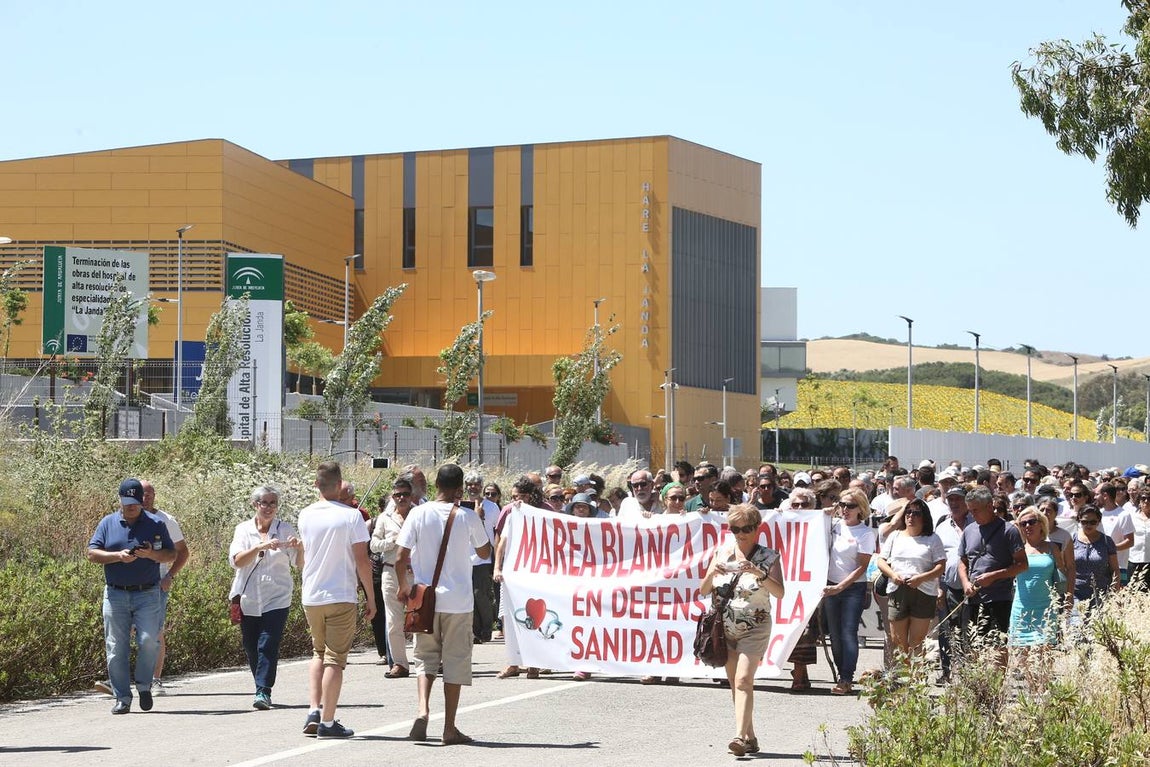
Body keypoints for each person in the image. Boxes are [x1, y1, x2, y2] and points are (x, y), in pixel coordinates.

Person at [396, 464, 492, 746]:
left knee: (425, 658)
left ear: (435, 484)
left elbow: (401, 556)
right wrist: (478, 520)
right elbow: (484, 551)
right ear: (460, 488)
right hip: (458, 602)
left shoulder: (417, 513)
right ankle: (449, 727)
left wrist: (404, 586)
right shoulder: (467, 516)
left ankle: (423, 710)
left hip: (425, 599)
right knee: (455, 662)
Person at [298, 461, 376, 739]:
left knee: (318, 652)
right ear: (341, 484)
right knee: (335, 659)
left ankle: (313, 709)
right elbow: (362, 562)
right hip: (340, 594)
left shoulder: (305, 515)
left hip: (312, 595)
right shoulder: (352, 517)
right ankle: (328, 722)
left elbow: (305, 554)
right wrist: (371, 597)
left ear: (316, 484)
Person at [699, 504, 784, 758]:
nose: (740, 534)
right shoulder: (722, 552)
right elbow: (703, 590)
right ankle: (750, 736)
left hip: (755, 625)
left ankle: (738, 736)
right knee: (736, 683)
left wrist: (759, 573)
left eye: (746, 528)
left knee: (744, 680)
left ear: (757, 528)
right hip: (725, 626)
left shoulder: (769, 556)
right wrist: (713, 571)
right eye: (734, 528)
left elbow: (779, 592)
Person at [87, 478, 176, 714]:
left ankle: (144, 684)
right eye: (126, 502)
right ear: (120, 500)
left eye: (134, 503)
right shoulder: (107, 523)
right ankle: (123, 697)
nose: (130, 507)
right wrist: (117, 556)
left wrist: (151, 554)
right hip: (115, 593)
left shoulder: (156, 523)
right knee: (116, 647)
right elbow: (92, 553)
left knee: (149, 641)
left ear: (141, 501)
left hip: (147, 593)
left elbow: (171, 554)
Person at [229, 485, 301, 710]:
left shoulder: (285, 528)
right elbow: (237, 561)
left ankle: (263, 690)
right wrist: (260, 546)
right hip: (248, 596)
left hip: (277, 597)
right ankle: (260, 684)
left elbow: (299, 563)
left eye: (273, 503)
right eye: (264, 503)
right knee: (251, 646)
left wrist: (300, 548)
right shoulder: (243, 530)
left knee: (267, 643)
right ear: (255, 505)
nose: (269, 508)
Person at [958, 486, 1028, 669]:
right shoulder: (969, 530)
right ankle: (978, 688)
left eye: (976, 510)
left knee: (998, 646)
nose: (972, 514)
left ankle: (996, 690)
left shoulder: (1008, 530)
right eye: (970, 510)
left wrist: (995, 576)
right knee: (972, 646)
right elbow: (962, 562)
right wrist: (965, 583)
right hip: (973, 599)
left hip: (999, 598)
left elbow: (1022, 564)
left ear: (990, 506)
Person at [874, 498, 945, 659]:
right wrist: (893, 574)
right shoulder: (895, 536)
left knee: (917, 641)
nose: (911, 516)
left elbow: (940, 566)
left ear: (924, 517)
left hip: (924, 592)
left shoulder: (932, 538)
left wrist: (921, 578)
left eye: (916, 513)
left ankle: (916, 680)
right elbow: (881, 561)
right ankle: (902, 680)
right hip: (897, 589)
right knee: (898, 641)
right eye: (908, 512)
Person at [823, 488, 876, 695]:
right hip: (831, 584)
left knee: (848, 633)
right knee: (834, 635)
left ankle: (846, 677)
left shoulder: (865, 533)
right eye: (842, 504)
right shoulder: (833, 525)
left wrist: (840, 587)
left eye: (850, 506)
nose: (845, 509)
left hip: (852, 588)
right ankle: (840, 674)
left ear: (860, 509)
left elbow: (862, 567)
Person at [141, 480, 189, 695]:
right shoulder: (123, 518)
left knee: (155, 631)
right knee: (127, 630)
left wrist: (170, 575)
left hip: (156, 583)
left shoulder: (166, 520)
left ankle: (155, 679)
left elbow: (183, 552)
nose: (146, 497)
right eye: (142, 493)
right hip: (127, 585)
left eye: (150, 493)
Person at [1008, 506, 1068, 668]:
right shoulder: (1016, 549)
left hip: (1046, 609)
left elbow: (1062, 575)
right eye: (1023, 524)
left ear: (1041, 524)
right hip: (1021, 608)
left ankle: (1043, 692)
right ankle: (1032, 692)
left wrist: (1065, 600)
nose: (1027, 526)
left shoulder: (1052, 548)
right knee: (1023, 661)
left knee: (1045, 660)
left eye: (1032, 522)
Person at [369, 475, 416, 678]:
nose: (402, 498)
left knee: (419, 618)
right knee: (393, 620)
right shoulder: (384, 518)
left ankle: (426, 660)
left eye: (406, 494)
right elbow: (373, 545)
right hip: (390, 570)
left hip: (415, 571)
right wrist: (391, 541)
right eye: (398, 495)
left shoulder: (419, 515)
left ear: (411, 495)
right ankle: (399, 663)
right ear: (392, 497)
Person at [465, 471, 499, 644]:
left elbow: (497, 532)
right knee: (469, 595)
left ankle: (486, 628)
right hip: (464, 557)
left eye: (476, 484)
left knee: (481, 594)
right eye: (470, 484)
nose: (473, 487)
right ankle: (474, 630)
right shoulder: (461, 506)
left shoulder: (492, 507)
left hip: (483, 557)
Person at [1072, 505, 1122, 618]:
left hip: (1101, 593)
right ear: (1079, 520)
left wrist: (1115, 594)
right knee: (1076, 628)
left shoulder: (1107, 541)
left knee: (1096, 629)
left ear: (1098, 521)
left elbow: (1115, 570)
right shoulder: (1072, 539)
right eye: (1084, 522)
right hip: (1076, 592)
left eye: (1092, 522)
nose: (1088, 525)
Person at [1128, 488, 1150, 591]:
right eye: (1143, 498)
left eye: (1149, 498)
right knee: (1133, 593)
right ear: (1139, 501)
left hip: (1149, 561)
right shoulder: (1132, 517)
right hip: (1134, 560)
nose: (1146, 501)